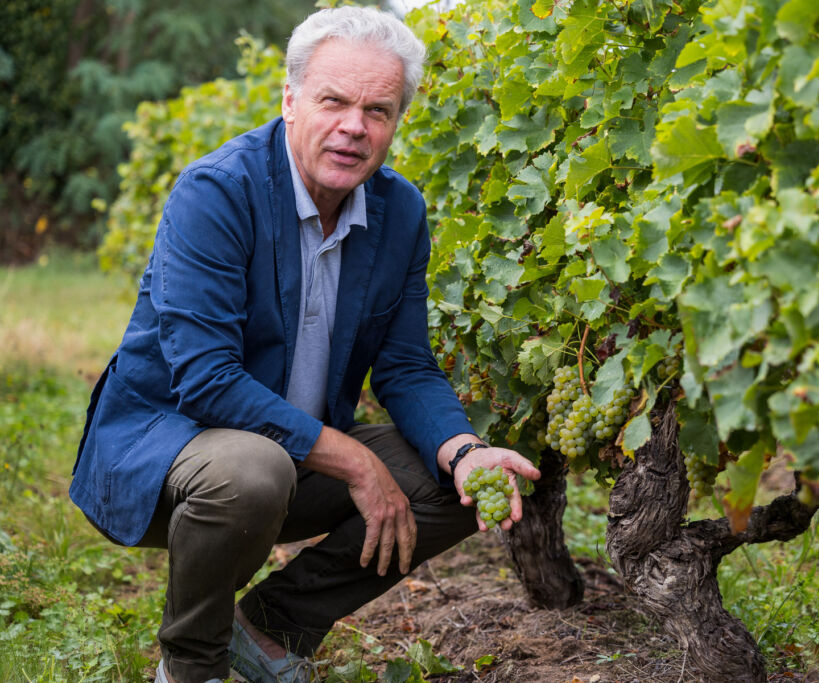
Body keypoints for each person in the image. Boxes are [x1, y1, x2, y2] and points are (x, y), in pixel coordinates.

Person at [69, 7, 541, 683]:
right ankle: (191, 666)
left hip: (292, 455)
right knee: (252, 470)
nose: (355, 126)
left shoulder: (399, 210)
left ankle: (268, 626)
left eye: (378, 110)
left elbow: (405, 364)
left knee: (458, 483)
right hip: (171, 450)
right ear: (290, 101)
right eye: (334, 101)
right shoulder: (217, 192)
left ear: (397, 120)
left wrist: (465, 452)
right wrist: (352, 458)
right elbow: (206, 381)